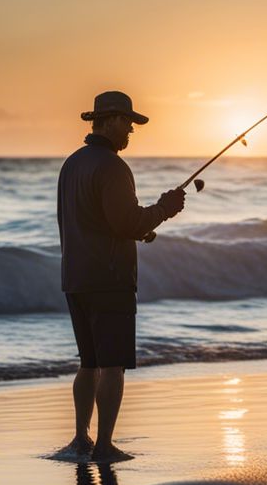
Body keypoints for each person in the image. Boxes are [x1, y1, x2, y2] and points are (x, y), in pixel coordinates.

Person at [55, 91, 185, 463]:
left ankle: (80, 438)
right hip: (110, 280)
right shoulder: (112, 167)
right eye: (127, 121)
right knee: (112, 366)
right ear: (109, 119)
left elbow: (93, 222)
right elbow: (127, 222)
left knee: (88, 363)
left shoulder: (72, 164)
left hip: (75, 278)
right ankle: (104, 445)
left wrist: (138, 228)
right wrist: (164, 209)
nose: (130, 129)